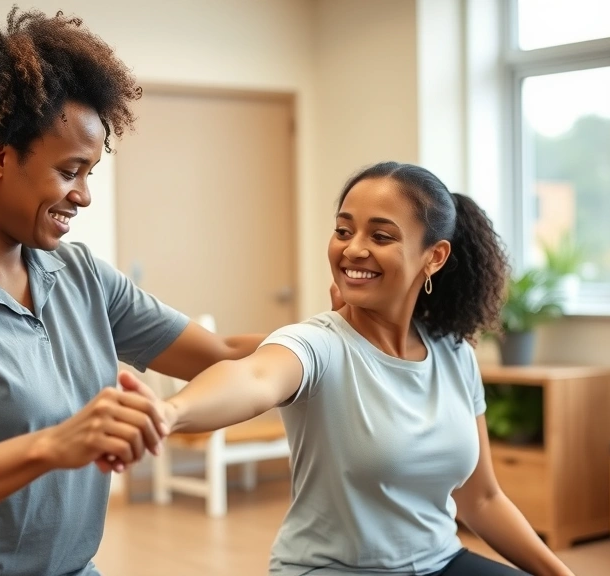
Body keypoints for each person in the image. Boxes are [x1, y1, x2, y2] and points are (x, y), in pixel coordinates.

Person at [0, 8, 264, 576]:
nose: (84, 196)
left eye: (90, 172)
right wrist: (49, 446)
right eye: (70, 172)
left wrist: (344, 329)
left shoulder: (81, 276)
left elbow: (227, 357)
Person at [150, 162, 576, 576]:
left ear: (435, 256)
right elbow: (254, 378)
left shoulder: (453, 353)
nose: (353, 248)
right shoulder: (318, 343)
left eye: (381, 235)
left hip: (440, 560)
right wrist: (170, 412)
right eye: (343, 230)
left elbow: (481, 499)